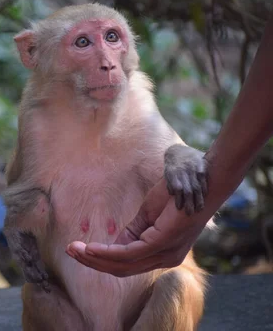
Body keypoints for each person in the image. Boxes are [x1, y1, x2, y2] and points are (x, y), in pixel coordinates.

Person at [66, 16, 273, 277]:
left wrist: (188, 162)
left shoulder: (137, 101)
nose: (105, 61)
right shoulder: (42, 123)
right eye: (83, 43)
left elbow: (190, 178)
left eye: (111, 38)